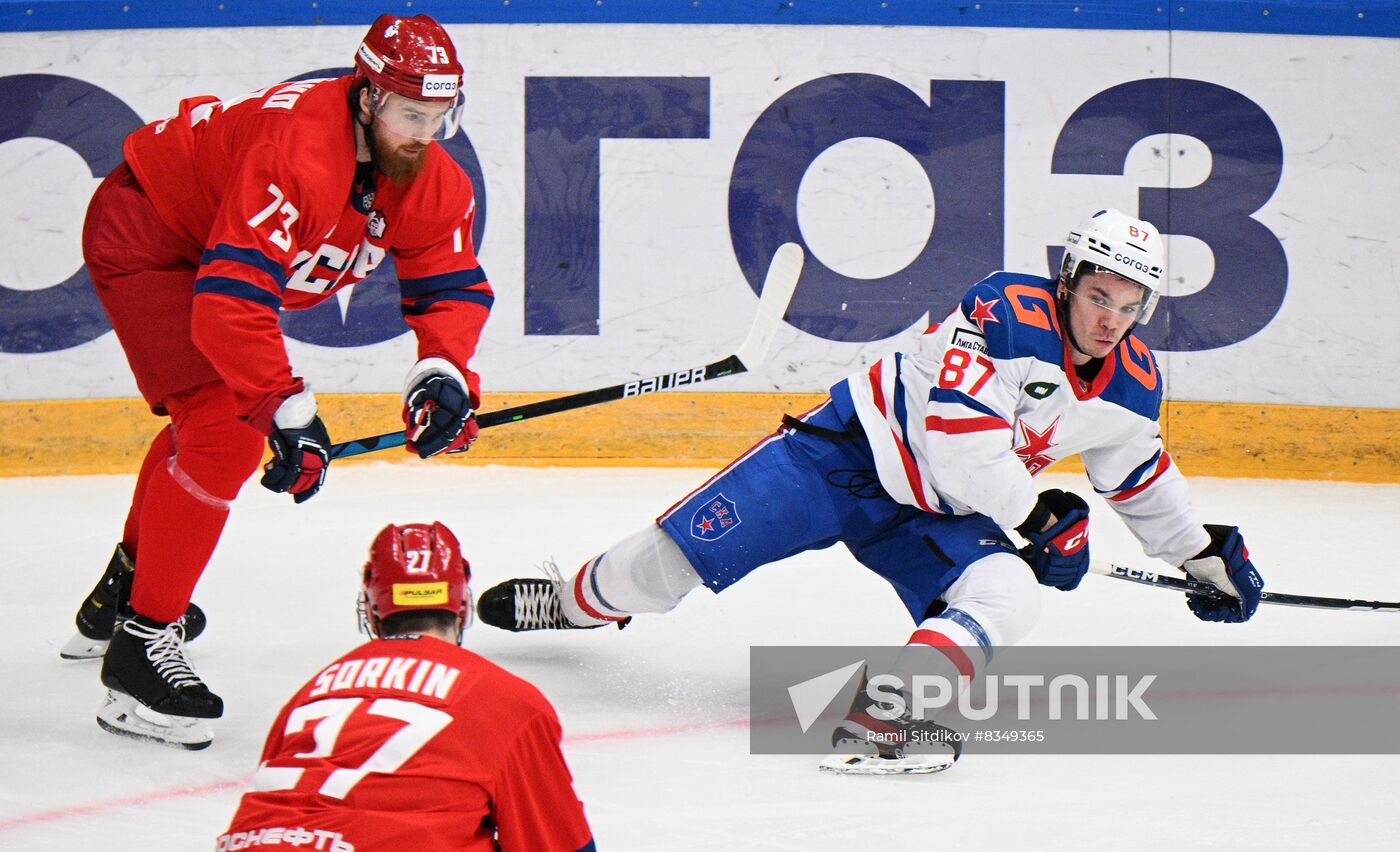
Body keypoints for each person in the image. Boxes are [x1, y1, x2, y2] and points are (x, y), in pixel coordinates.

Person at [476, 209, 1266, 773]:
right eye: (1099, 297)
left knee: (1008, 596)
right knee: (660, 570)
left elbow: (1137, 475)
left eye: (1131, 308)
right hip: (844, 458)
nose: (1111, 321)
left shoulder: (1131, 382)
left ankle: (887, 712)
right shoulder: (1003, 310)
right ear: (1069, 283)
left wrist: (1200, 554)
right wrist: (1037, 518)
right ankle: (577, 598)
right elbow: (959, 446)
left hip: (935, 520)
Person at [65, 13, 493, 749]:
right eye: (409, 113)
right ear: (367, 98)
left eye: (438, 115)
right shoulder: (298, 149)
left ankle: (121, 598)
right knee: (224, 429)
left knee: (211, 426)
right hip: (152, 233)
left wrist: (444, 373)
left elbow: (450, 285)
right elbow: (230, 303)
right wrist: (284, 410)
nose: (424, 132)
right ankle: (140, 647)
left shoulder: (431, 175)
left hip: (205, 254)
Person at [217, 522, 596, 851]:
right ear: (462, 606)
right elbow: (558, 844)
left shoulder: (312, 692)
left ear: (370, 609)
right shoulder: (506, 698)